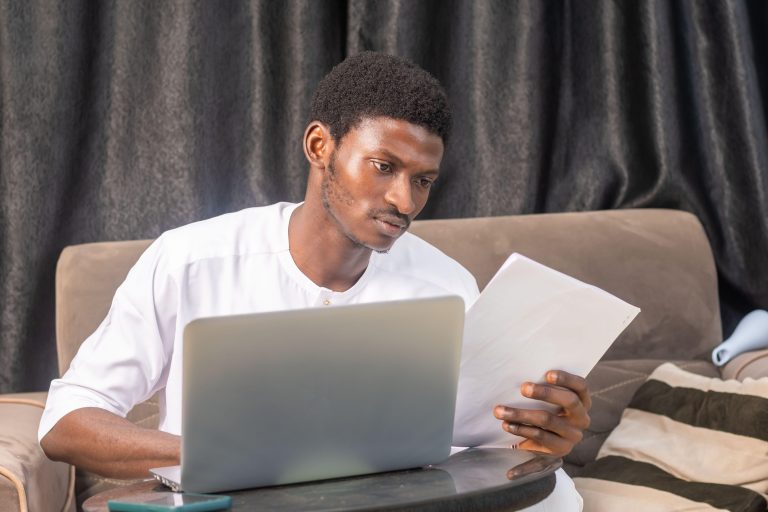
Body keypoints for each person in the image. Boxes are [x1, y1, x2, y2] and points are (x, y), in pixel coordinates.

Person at [39, 52, 589, 509]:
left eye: (423, 180)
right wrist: (213, 453)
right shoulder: (190, 261)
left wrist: (541, 439)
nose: (405, 201)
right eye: (383, 167)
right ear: (320, 147)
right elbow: (66, 422)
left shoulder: (446, 286)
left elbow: (480, 447)